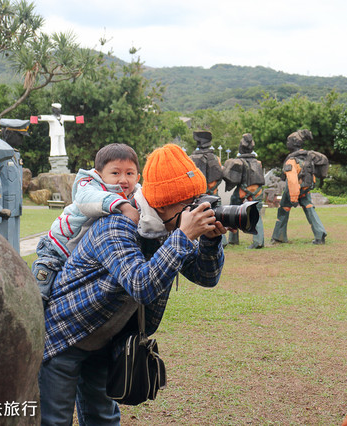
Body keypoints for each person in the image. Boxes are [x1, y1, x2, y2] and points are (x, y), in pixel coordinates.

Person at [38, 144, 226, 425]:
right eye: (188, 203)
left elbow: (207, 277)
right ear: (162, 204)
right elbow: (141, 284)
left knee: (103, 417)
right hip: (65, 335)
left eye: (198, 200)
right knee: (55, 420)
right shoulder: (115, 225)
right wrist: (184, 236)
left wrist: (210, 241)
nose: (196, 209)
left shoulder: (166, 228)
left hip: (106, 338)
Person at [32, 143, 141, 302]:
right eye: (115, 172)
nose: (123, 179)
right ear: (99, 174)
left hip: (82, 257)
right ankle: (31, 309)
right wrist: (123, 206)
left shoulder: (136, 193)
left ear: (138, 177)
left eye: (130, 173)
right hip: (58, 246)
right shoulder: (89, 185)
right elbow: (86, 200)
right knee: (42, 286)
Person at [270, 129, 327, 245]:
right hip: (306, 189)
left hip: (293, 191)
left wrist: (294, 198)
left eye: (288, 142)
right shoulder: (309, 156)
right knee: (309, 208)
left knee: (283, 210)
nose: (287, 144)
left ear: (293, 143)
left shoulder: (291, 160)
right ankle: (320, 234)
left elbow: (292, 181)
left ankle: (278, 237)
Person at [222, 133, 265, 249]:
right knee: (256, 214)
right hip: (258, 192)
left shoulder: (239, 162)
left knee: (232, 211)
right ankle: (259, 241)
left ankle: (233, 238)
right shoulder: (258, 163)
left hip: (243, 191)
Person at [189, 130, 223, 196]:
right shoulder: (216, 158)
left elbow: (190, 176)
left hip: (198, 195)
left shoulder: (191, 159)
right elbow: (220, 175)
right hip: (213, 193)